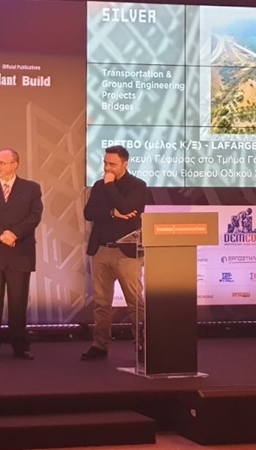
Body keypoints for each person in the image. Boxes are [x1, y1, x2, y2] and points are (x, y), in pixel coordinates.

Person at [0, 149, 43, 360]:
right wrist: (1, 234)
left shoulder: (31, 188)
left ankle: (20, 346)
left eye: (2, 162)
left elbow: (35, 216)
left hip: (19, 252)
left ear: (15, 164)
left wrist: (15, 234)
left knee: (18, 303)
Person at [81, 144, 147, 361]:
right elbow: (89, 212)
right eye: (105, 163)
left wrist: (110, 187)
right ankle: (100, 344)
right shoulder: (98, 186)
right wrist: (111, 212)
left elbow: (128, 208)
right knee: (101, 302)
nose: (107, 168)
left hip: (126, 254)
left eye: (112, 164)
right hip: (101, 250)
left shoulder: (137, 186)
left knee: (135, 303)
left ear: (125, 164)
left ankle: (143, 346)